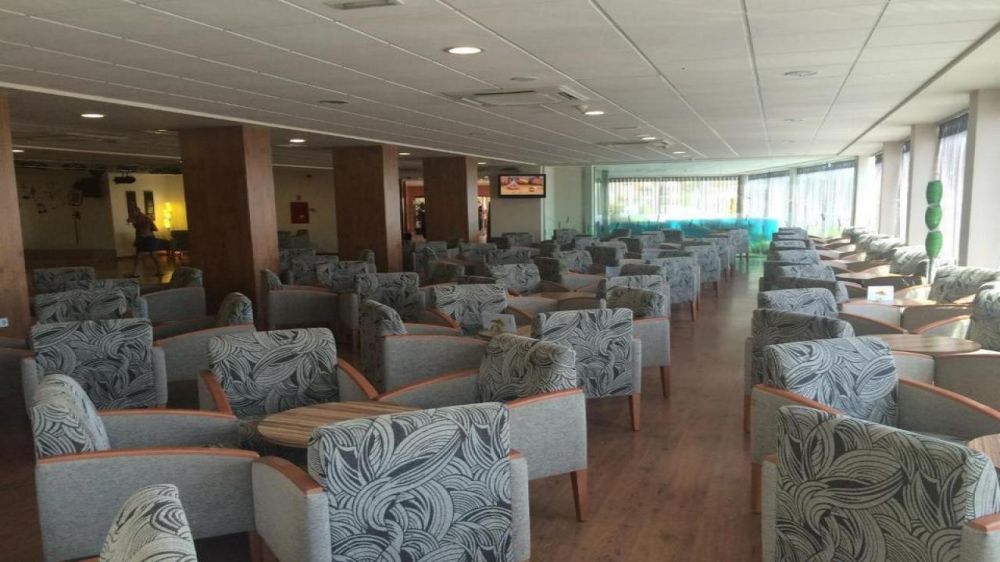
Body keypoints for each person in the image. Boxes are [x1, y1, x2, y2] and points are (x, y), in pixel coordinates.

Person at [128, 202, 162, 277]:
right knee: (139, 256)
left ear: (137, 211)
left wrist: (134, 223)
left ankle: (160, 271)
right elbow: (139, 230)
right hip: (142, 239)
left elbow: (144, 229)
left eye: (132, 212)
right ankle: (134, 273)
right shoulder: (138, 218)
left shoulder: (145, 218)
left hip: (148, 239)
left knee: (153, 255)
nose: (131, 214)